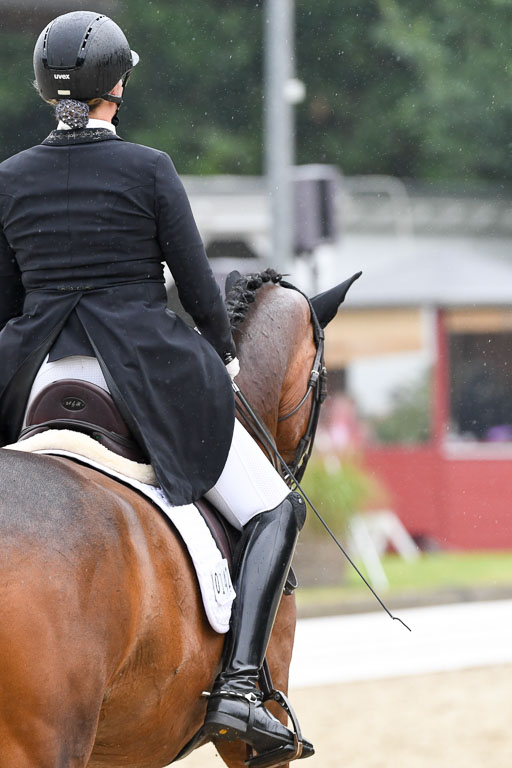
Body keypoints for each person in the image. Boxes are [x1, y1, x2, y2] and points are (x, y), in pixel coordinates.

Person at [0, 11, 313, 763]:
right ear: (119, 84)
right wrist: (222, 358)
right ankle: (242, 685)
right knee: (274, 506)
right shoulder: (149, 168)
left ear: (47, 90)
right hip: (140, 372)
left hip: (36, 372)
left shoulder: (10, 178)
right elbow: (202, 292)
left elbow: (6, 299)